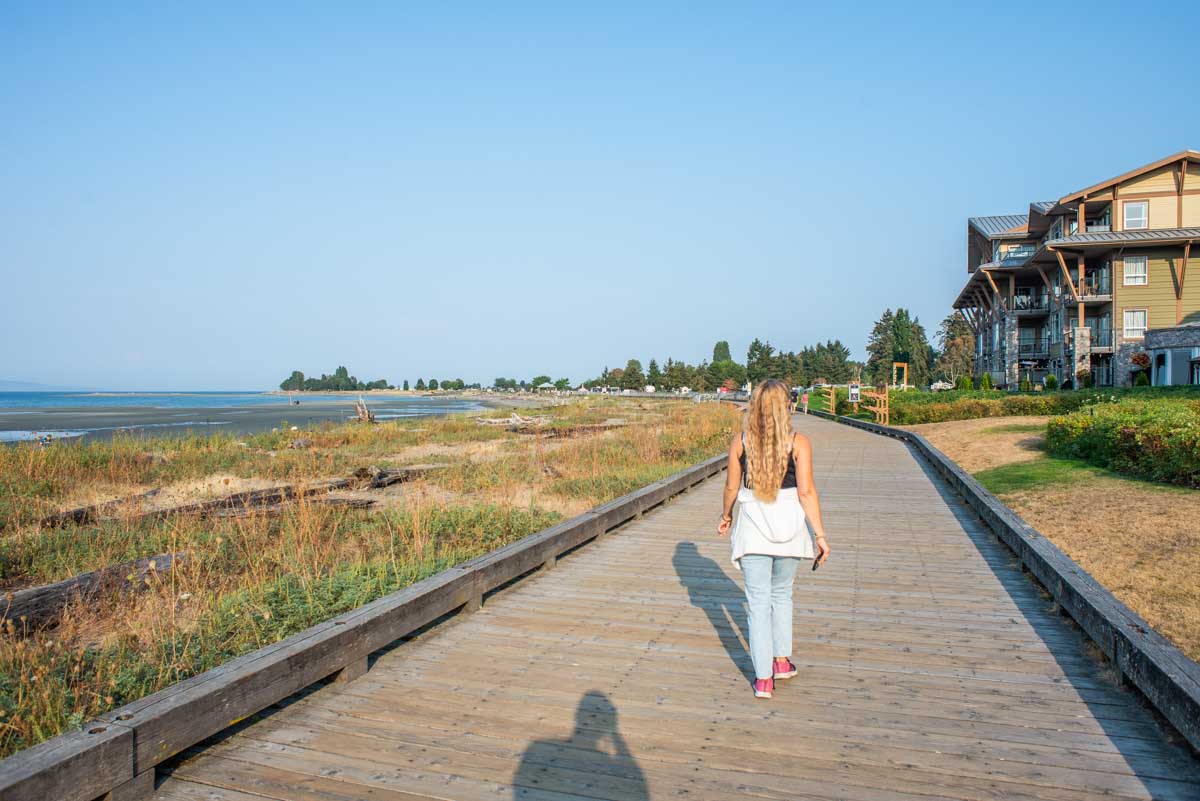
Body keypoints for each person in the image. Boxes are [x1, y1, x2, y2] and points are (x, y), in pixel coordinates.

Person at [717, 379, 830, 698]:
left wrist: (726, 515)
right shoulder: (799, 443)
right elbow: (806, 491)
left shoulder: (741, 442)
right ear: (786, 406)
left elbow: (731, 488)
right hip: (790, 530)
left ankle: (764, 678)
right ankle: (781, 661)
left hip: (754, 530)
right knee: (782, 595)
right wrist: (820, 535)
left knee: (758, 602)